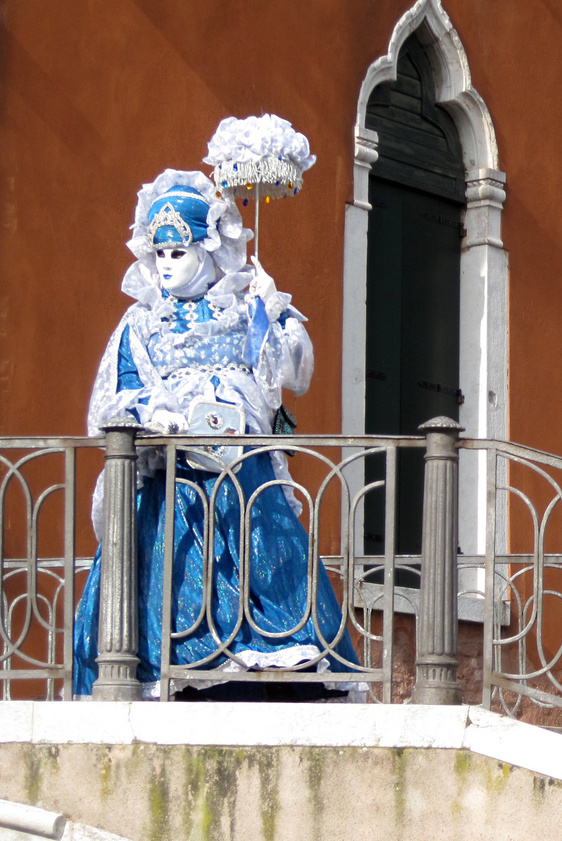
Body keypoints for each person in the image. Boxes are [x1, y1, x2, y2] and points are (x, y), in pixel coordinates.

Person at [73, 169, 358, 699]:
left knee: (259, 557)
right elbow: (116, 394)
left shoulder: (244, 307)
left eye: (178, 253)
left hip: (240, 471)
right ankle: (181, 658)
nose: (165, 265)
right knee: (172, 566)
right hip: (169, 474)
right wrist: (155, 409)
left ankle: (264, 652)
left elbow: (290, 375)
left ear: (207, 250)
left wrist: (275, 315)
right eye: (159, 254)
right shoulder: (141, 324)